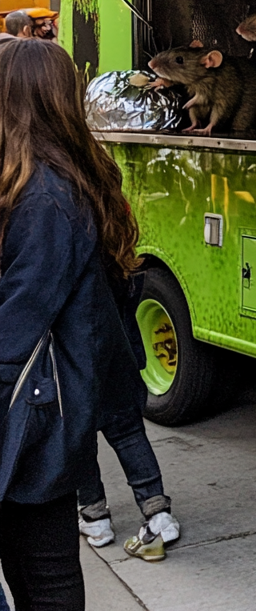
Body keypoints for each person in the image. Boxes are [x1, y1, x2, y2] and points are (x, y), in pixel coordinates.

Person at [0, 38, 140, 610]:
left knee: (46, 576)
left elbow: (18, 325)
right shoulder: (49, 182)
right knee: (46, 569)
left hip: (32, 417)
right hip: (43, 414)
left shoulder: (45, 199)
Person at [77, 266, 180, 562]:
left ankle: (94, 516)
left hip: (76, 352)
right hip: (117, 345)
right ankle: (157, 513)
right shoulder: (111, 231)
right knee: (128, 430)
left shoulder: (56, 228)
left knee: (79, 433)